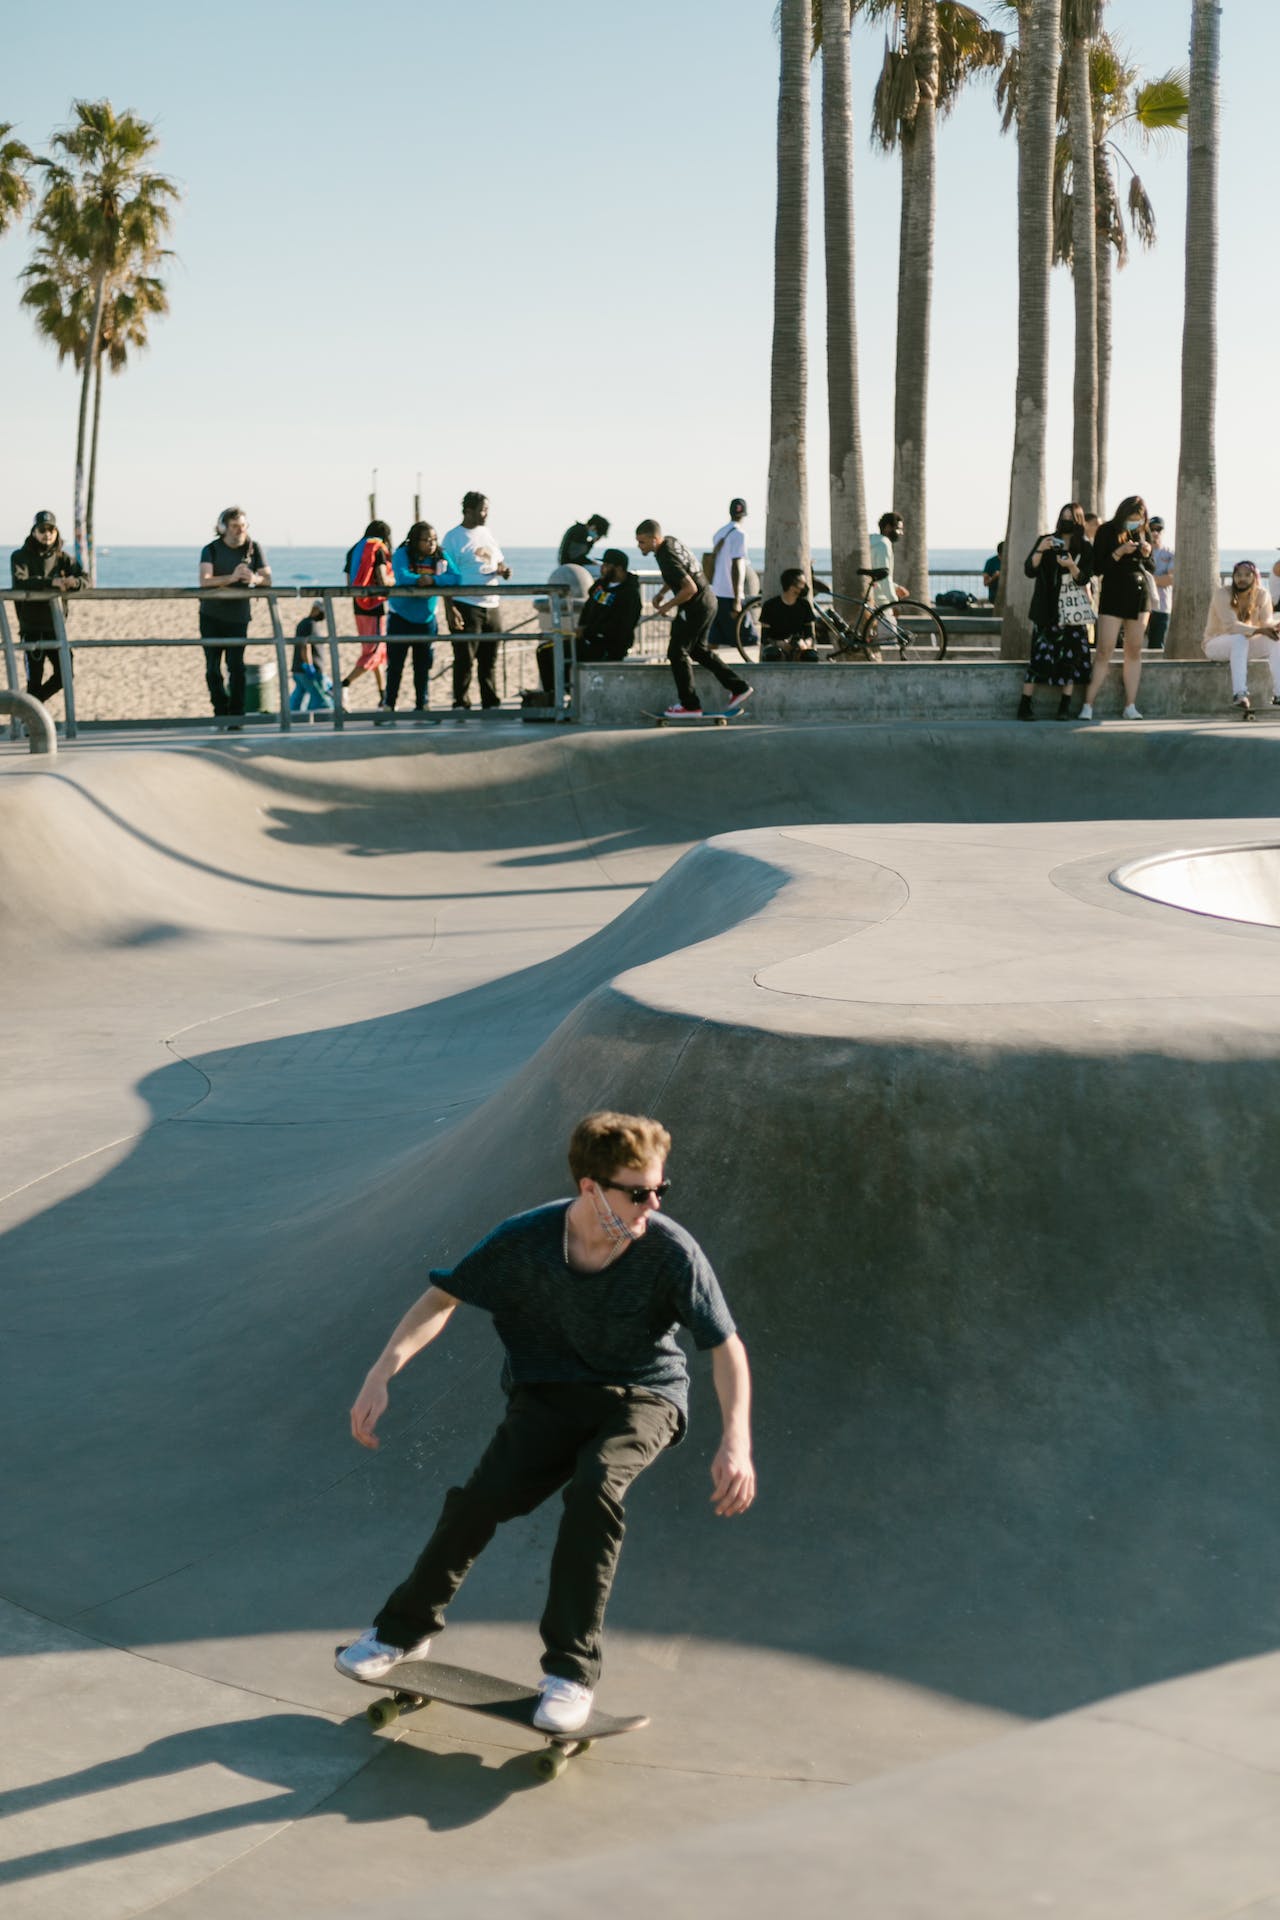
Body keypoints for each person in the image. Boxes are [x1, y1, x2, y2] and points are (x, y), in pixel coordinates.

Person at [336, 1110, 755, 1734]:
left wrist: (736, 1440)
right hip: (549, 1395)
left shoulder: (671, 1251)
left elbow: (726, 1348)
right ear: (591, 1188)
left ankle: (570, 1674)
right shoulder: (525, 1240)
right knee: (478, 1501)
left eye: (660, 1191)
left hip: (643, 1395)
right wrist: (381, 1372)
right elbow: (441, 1299)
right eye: (638, 1193)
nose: (652, 1205)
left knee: (594, 1489)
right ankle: (403, 1632)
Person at [635, 519, 752, 719]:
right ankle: (739, 687)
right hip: (709, 601)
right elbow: (680, 572)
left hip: (695, 605)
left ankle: (689, 706)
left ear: (655, 539)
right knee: (698, 650)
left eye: (643, 542)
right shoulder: (671, 542)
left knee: (676, 651)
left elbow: (689, 588)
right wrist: (663, 592)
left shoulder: (665, 555)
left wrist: (667, 605)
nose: (639, 546)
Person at [1017, 504, 1095, 721]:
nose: (1067, 521)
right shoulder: (1047, 539)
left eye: (1071, 517)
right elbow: (1029, 570)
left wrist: (1071, 565)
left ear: (1079, 520)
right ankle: (1024, 705)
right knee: (1038, 658)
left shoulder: (1085, 547)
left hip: (1071, 612)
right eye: (1064, 516)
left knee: (1070, 661)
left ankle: (1064, 707)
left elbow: (1084, 578)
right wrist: (1042, 548)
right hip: (1046, 609)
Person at [1079, 494, 1153, 722]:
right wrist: (1119, 552)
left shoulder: (1143, 531)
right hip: (1113, 594)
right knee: (1104, 650)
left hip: (1139, 594)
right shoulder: (1106, 531)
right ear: (1123, 514)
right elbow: (1099, 567)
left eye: (1139, 519)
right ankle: (1087, 704)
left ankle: (1130, 705)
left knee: (1134, 649)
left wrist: (1147, 552)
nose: (1135, 522)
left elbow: (1151, 566)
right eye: (1132, 518)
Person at [199, 507, 271, 729]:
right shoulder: (210, 549)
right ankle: (220, 712)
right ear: (223, 528)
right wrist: (232, 577)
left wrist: (254, 578)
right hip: (211, 615)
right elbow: (204, 580)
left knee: (236, 667)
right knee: (213, 668)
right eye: (234, 526)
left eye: (243, 525)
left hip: (239, 617)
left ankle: (237, 716)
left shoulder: (254, 547)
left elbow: (268, 578)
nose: (240, 530)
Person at [536, 548, 641, 695]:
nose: (602, 569)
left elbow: (619, 626)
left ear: (618, 568)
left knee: (555, 652)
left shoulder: (629, 594)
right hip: (588, 639)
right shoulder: (602, 585)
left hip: (607, 646)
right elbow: (589, 608)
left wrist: (587, 631)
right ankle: (552, 696)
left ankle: (565, 694)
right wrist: (581, 629)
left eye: (606, 565)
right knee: (544, 650)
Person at [441, 492, 511, 711]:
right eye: (482, 509)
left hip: (492, 603)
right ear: (468, 510)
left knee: (489, 658)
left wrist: (503, 570)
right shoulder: (453, 538)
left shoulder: (487, 533)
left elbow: (498, 560)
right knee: (464, 658)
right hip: (466, 603)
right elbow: (444, 575)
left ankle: (490, 700)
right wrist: (450, 608)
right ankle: (461, 701)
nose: (486, 514)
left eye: (487, 509)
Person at [9, 509, 86, 706]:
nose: (47, 534)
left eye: (51, 529)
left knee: (65, 674)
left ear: (56, 531)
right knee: (33, 681)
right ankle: (31, 719)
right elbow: (21, 582)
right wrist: (52, 582)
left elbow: (85, 579)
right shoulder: (20, 556)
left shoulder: (64, 558)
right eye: (42, 529)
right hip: (31, 629)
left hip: (56, 627)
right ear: (34, 531)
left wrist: (73, 583)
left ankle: (29, 708)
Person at [381, 522, 450, 724]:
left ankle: (422, 705)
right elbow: (402, 576)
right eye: (427, 540)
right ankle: (389, 706)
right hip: (400, 616)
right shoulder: (403, 553)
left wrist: (434, 581)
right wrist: (423, 579)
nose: (431, 544)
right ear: (415, 540)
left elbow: (456, 577)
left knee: (423, 666)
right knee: (395, 665)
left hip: (426, 619)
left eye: (434, 540)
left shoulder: (440, 555)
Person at [1202, 561, 1280, 715]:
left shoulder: (1262, 595)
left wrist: (1276, 626)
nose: (1241, 579)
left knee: (1276, 639)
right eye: (1238, 575)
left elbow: (1266, 623)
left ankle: (1279, 694)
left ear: (1255, 578)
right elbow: (1231, 626)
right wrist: (1259, 629)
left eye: (1247, 575)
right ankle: (1240, 695)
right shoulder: (1223, 594)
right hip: (1215, 644)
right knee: (1239, 638)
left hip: (1243, 644)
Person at [341, 521, 392, 702]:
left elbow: (349, 582)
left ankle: (382, 694)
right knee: (374, 652)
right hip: (375, 606)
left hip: (358, 606)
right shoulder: (377, 549)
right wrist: (395, 581)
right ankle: (343, 685)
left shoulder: (355, 549)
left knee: (374, 650)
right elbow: (383, 579)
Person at [709, 498, 756, 653]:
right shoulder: (740, 534)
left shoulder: (720, 533)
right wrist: (737, 598)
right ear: (744, 514)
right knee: (748, 639)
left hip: (716, 591)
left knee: (715, 638)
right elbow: (737, 565)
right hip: (730, 594)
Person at [760, 568, 817, 661]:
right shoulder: (770, 606)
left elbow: (810, 634)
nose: (805, 587)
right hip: (779, 648)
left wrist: (805, 644)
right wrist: (779, 644)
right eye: (802, 584)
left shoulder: (804, 605)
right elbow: (764, 638)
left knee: (811, 655)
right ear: (791, 586)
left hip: (800, 649)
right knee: (771, 654)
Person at [290, 599, 333, 714]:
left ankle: (293, 717)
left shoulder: (305, 623)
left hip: (299, 669)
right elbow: (305, 646)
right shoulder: (310, 624)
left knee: (298, 697)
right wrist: (309, 666)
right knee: (318, 699)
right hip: (306, 670)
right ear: (316, 610)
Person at [868, 512, 909, 608]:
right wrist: (894, 603)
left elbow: (876, 573)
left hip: (872, 598)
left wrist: (895, 587)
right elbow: (883, 577)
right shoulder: (883, 544)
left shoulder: (872, 541)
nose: (901, 533)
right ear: (888, 527)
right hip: (880, 603)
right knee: (890, 623)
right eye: (898, 529)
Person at [1147, 516, 1173, 650]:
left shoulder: (1170, 553)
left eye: (1159, 529)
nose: (1155, 533)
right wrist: (1159, 579)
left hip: (1162, 607)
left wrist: (1149, 579)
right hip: (1142, 606)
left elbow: (1171, 579)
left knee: (1157, 646)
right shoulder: (1141, 551)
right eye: (1152, 529)